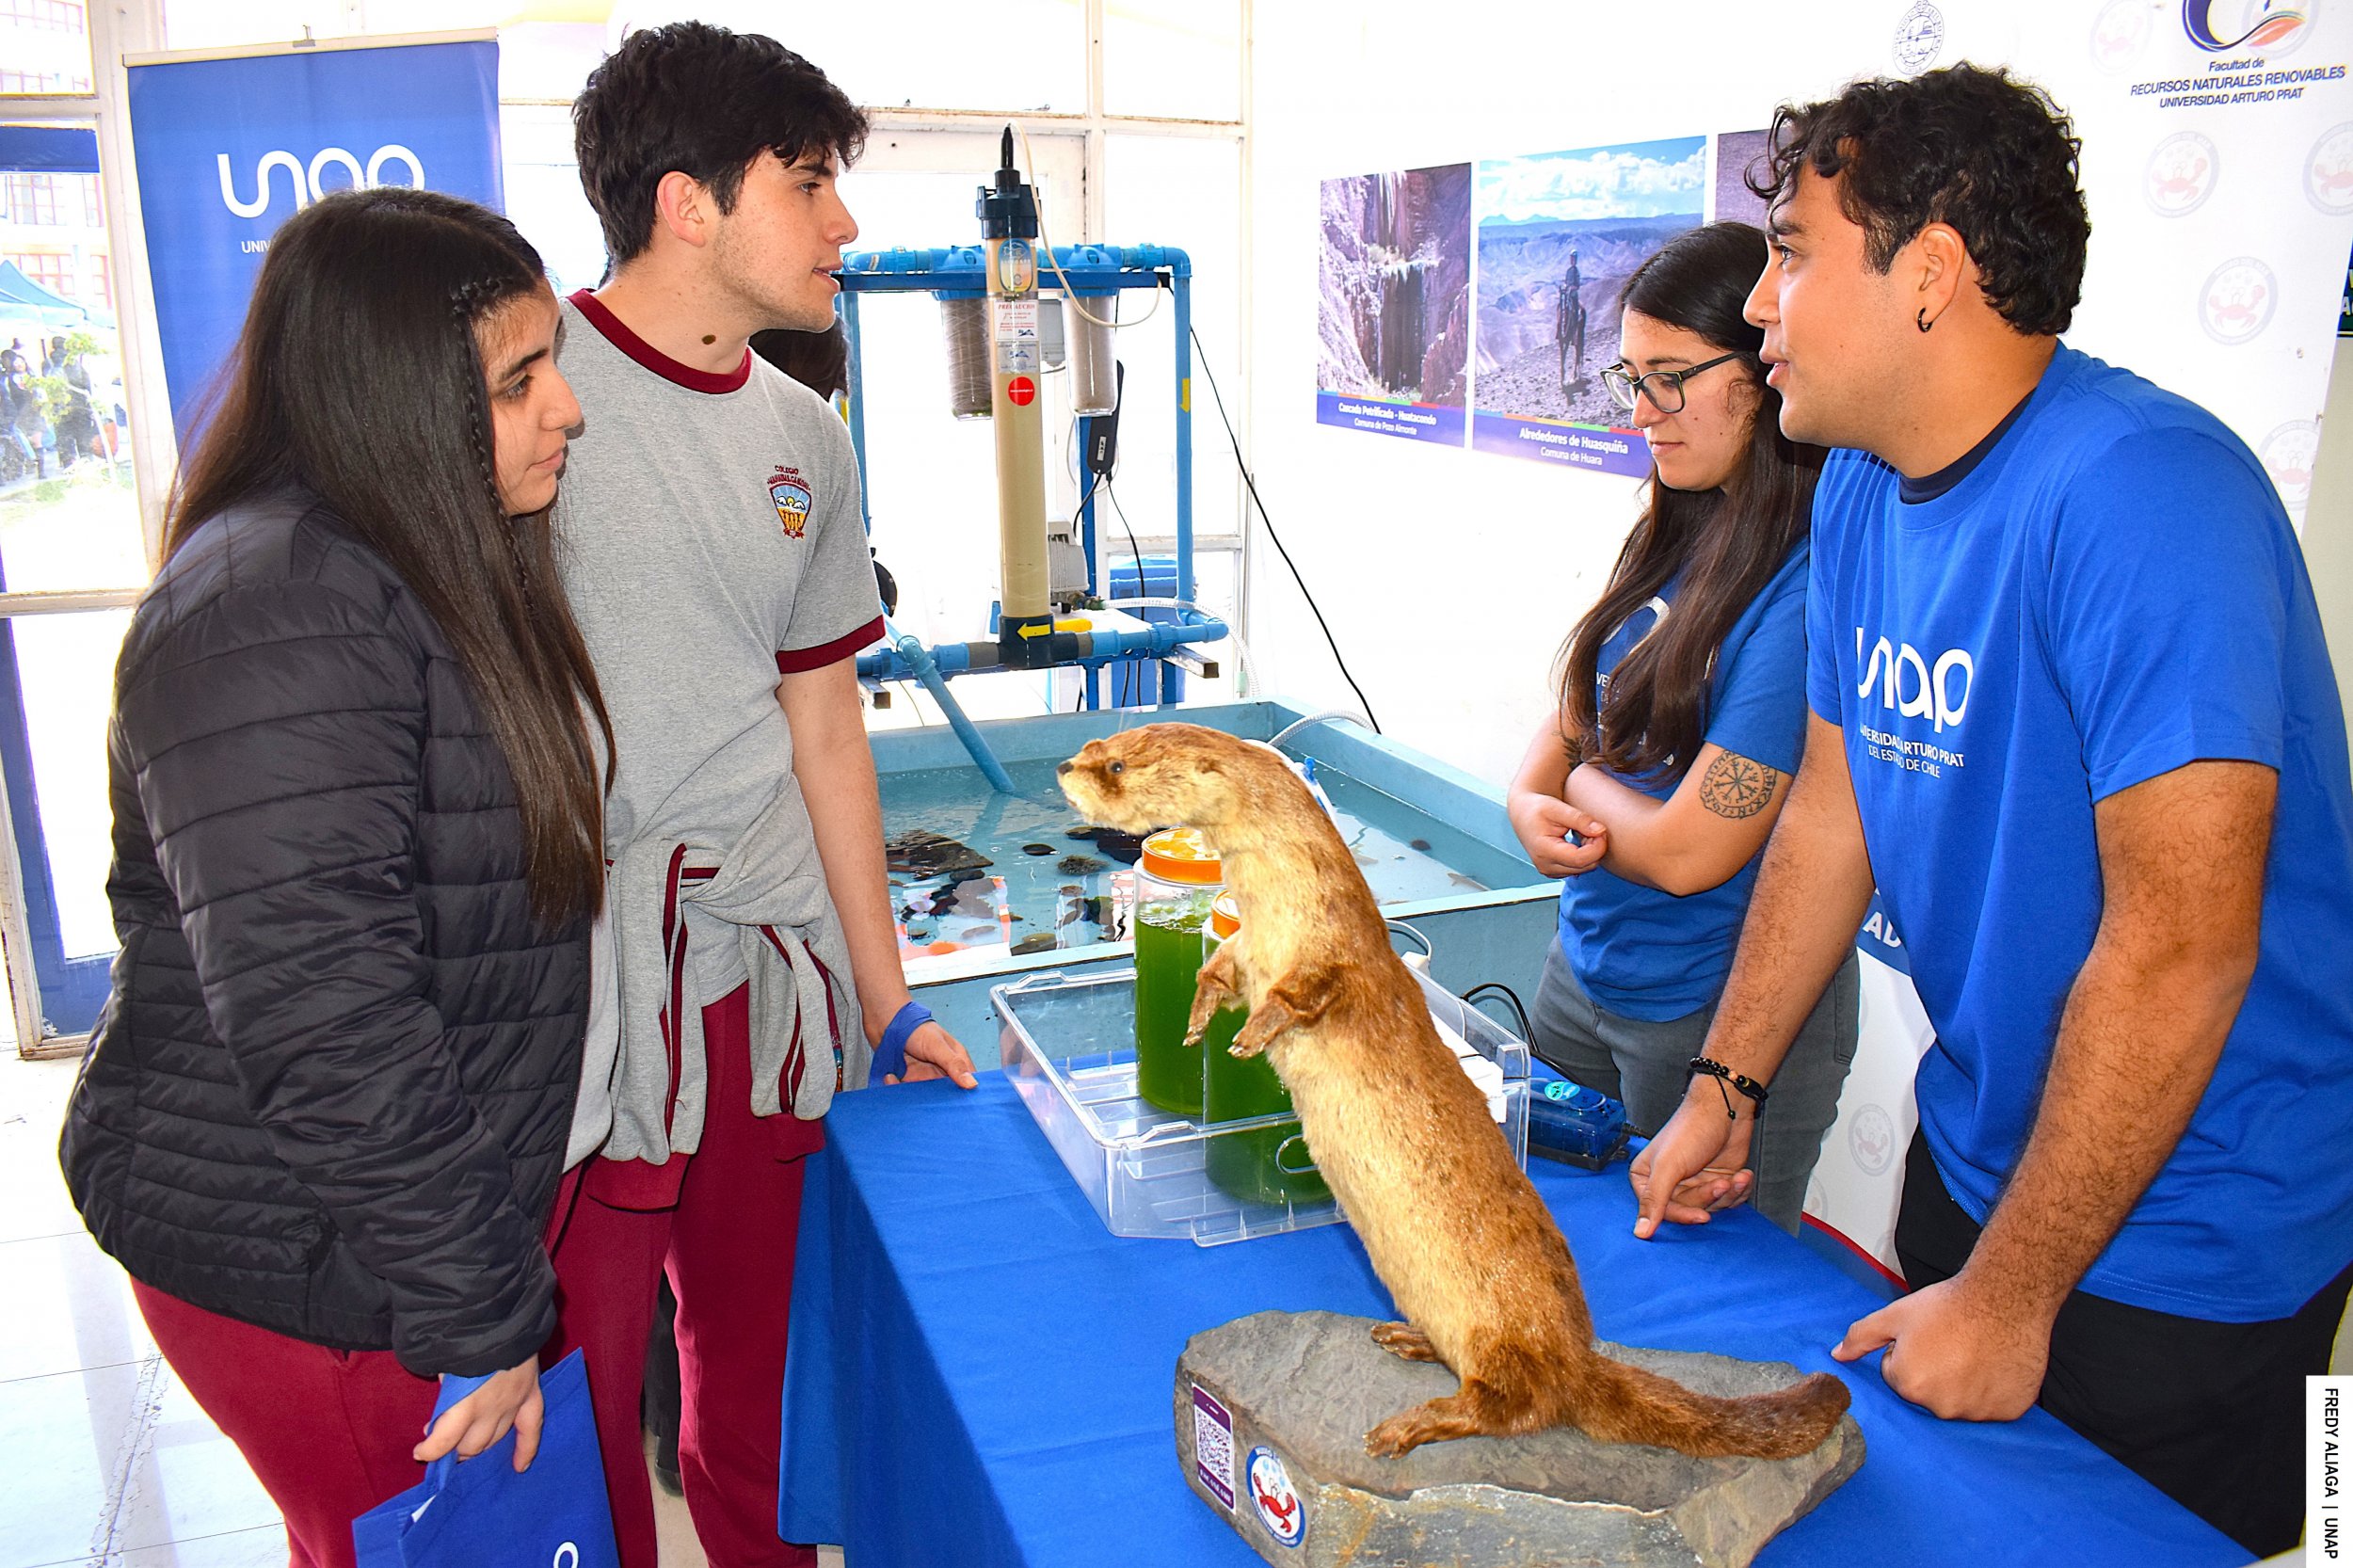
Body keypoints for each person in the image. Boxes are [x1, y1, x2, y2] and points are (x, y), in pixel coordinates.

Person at [1630, 63, 2353, 1558]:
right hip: (1977, 1175)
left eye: (1793, 254)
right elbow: (1830, 814)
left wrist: (2017, 1294)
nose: (1759, 305)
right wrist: (1729, 1081)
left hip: (2185, 1247)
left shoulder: (2147, 494)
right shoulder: (1857, 486)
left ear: (1931, 275)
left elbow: (2183, 945)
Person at [57, 187, 609, 1568]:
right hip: (327, 1260)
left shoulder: (400, 561)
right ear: (393, 402)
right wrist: (477, 1304)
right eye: (517, 382)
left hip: (391, 1236)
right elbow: (326, 1014)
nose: (566, 410)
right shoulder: (276, 607)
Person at [548, 24, 978, 1568]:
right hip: (591, 1001)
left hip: (766, 992)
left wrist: (886, 994)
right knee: (581, 1401)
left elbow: (828, 729)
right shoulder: (533, 393)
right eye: (808, 184)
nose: (843, 222)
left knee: (762, 1383)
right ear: (689, 203)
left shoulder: (806, 435)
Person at [1508, 222, 1854, 1236]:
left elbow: (1687, 854)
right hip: (1586, 965)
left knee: (1699, 1285)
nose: (1642, 414)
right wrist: (1529, 793)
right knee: (1550, 1238)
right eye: (1631, 380)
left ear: (1765, 369)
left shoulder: (1806, 586)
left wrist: (1572, 783)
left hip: (1711, 1010)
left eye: (1670, 380)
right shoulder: (1677, 521)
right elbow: (1579, 708)